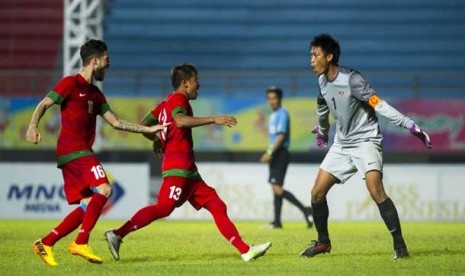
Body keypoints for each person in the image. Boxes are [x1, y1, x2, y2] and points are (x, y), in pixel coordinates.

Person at [104, 63, 271, 262]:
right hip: (178, 168)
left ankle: (245, 250)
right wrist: (213, 119)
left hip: (189, 171)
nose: (198, 85)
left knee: (216, 204)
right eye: (195, 81)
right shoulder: (178, 99)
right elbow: (181, 121)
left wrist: (156, 139)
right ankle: (117, 234)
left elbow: (143, 126)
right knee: (164, 207)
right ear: (185, 83)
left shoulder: (164, 104)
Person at [26, 39, 167, 266]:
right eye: (106, 60)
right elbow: (44, 104)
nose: (108, 65)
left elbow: (117, 123)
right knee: (105, 188)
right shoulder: (70, 83)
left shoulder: (95, 94)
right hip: (74, 149)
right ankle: (81, 242)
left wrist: (147, 129)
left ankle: (46, 242)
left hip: (75, 153)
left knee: (88, 204)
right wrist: (33, 126)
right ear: (95, 61)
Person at [300, 34, 432, 259]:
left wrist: (409, 124)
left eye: (315, 55)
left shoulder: (352, 80)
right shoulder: (322, 82)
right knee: (317, 193)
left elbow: (378, 105)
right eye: (310, 55)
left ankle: (400, 246)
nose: (311, 60)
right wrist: (322, 132)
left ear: (329, 56)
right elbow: (323, 110)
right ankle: (323, 242)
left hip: (365, 141)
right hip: (342, 144)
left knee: (375, 190)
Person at [259, 86, 313, 229]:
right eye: (269, 98)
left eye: (274, 98)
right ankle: (277, 222)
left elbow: (281, 135)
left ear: (280, 99)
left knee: (277, 189)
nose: (271, 101)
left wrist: (269, 153)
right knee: (275, 188)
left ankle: (306, 210)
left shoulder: (282, 113)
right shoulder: (273, 115)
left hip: (280, 153)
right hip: (276, 153)